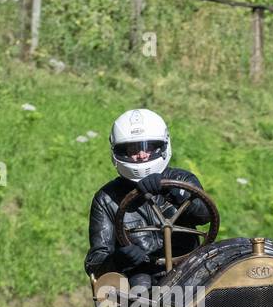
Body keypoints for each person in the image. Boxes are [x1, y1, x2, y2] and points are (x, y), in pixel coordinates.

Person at [84, 108, 212, 290]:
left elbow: (205, 215)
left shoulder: (182, 180)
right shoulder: (106, 199)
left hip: (188, 268)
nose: (142, 155)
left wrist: (175, 192)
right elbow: (95, 264)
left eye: (149, 147)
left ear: (163, 146)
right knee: (139, 289)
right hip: (141, 276)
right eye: (132, 149)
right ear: (118, 152)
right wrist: (119, 259)